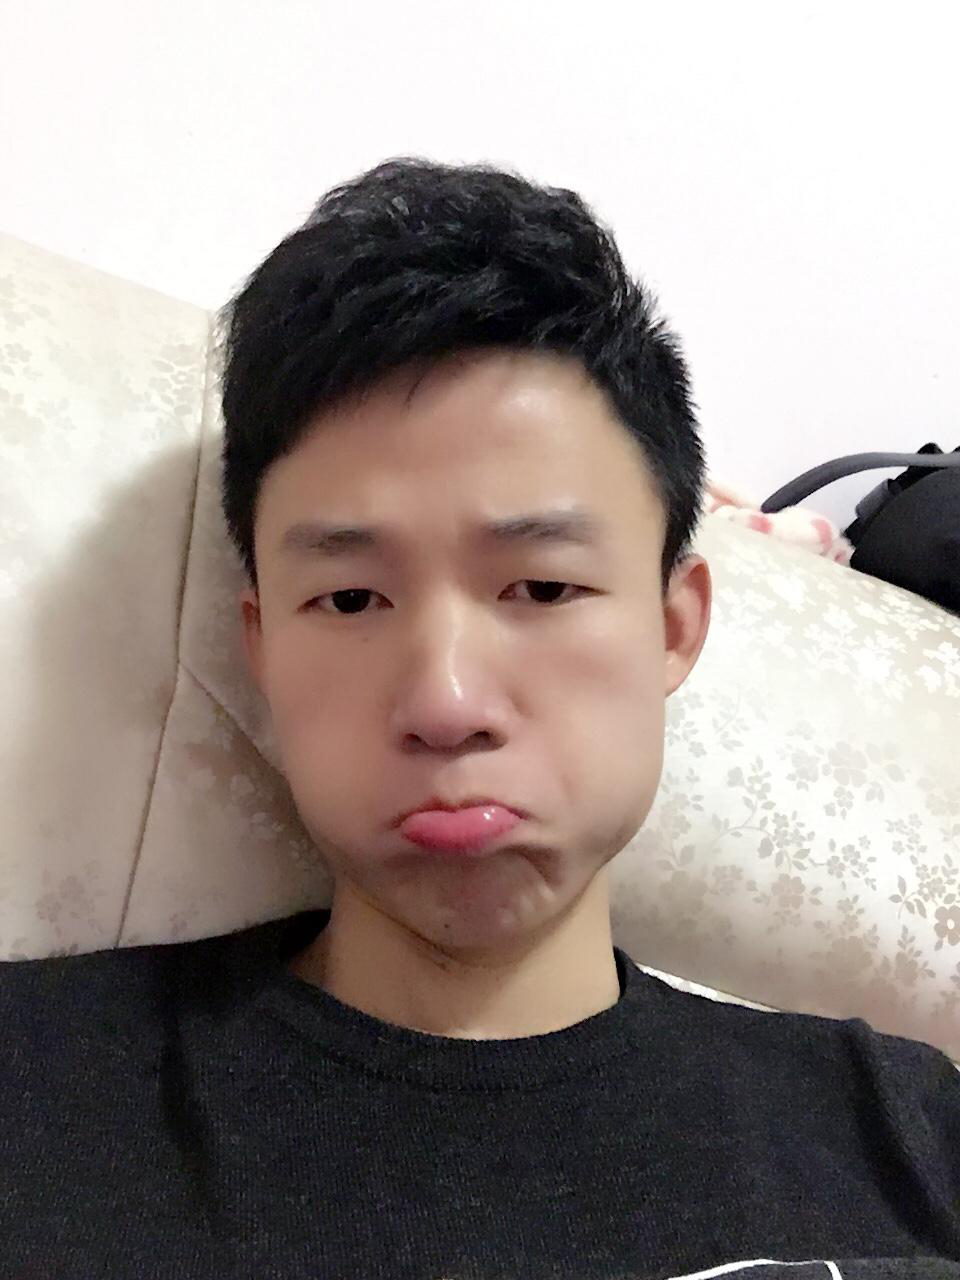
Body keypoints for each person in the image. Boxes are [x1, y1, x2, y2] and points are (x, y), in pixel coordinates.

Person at [1, 158, 958, 1280]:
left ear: (673, 626)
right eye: (349, 600)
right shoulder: (32, 1095)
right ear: (261, 648)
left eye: (542, 586)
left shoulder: (909, 1138)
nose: (445, 705)